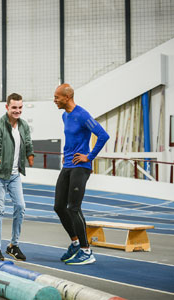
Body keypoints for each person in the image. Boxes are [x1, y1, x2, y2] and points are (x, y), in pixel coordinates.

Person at [53, 83, 109, 265]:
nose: (54, 100)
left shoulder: (82, 115)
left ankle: (87, 251)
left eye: (57, 97)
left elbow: (103, 135)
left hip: (80, 167)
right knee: (59, 206)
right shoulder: (64, 115)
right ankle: (75, 243)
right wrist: (65, 153)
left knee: (73, 208)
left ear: (67, 97)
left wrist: (89, 156)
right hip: (68, 165)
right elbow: (71, 138)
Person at [0, 93, 34, 261]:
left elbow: (28, 142)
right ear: (7, 107)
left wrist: (30, 154)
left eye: (20, 107)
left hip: (15, 175)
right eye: (14, 107)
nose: (17, 111)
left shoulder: (23, 126)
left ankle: (13, 245)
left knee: (20, 207)